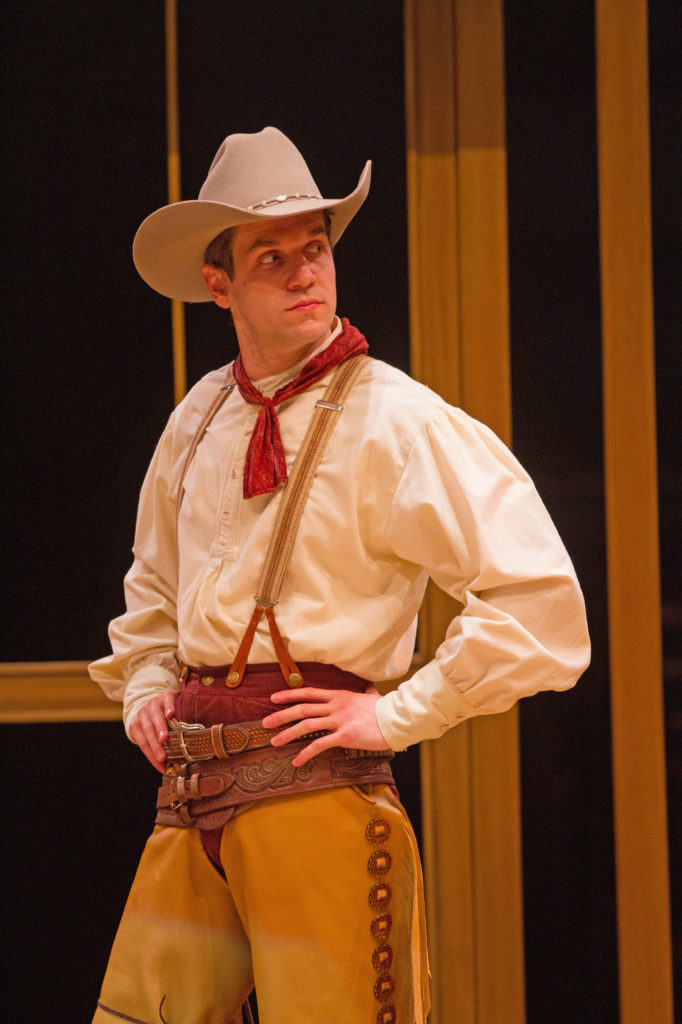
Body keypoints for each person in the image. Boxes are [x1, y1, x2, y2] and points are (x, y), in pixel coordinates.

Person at [89, 126, 590, 1024]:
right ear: (219, 285)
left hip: (314, 797)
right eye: (271, 256)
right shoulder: (199, 418)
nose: (303, 272)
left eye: (314, 249)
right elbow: (152, 590)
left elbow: (538, 605)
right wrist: (146, 689)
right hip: (190, 798)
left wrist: (393, 713)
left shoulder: (396, 419)